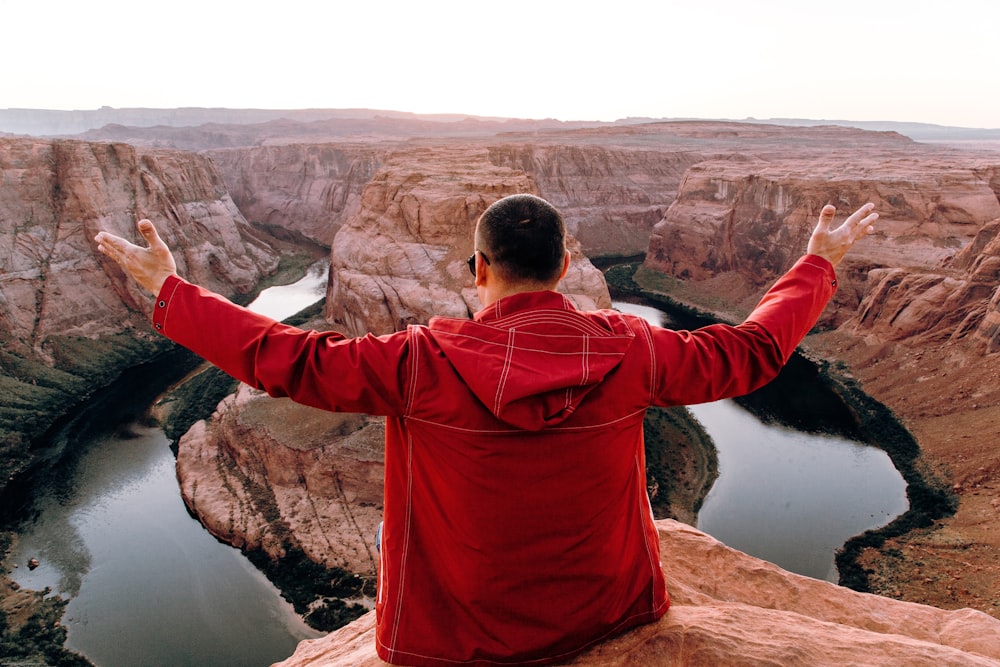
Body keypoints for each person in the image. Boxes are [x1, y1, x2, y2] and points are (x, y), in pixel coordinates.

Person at [95, 194, 877, 666]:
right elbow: (751, 351)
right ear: (569, 262)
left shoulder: (418, 362)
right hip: (610, 612)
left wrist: (169, 290)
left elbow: (281, 360)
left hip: (453, 644)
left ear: (478, 269)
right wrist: (816, 265)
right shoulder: (632, 349)